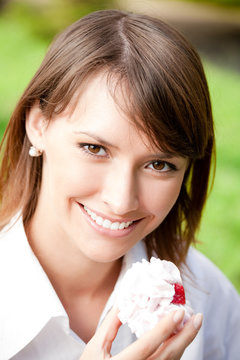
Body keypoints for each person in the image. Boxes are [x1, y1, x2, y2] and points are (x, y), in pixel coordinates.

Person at [0, 9, 239, 360]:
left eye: (159, 164)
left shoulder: (205, 295)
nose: (121, 200)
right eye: (94, 148)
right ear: (38, 125)